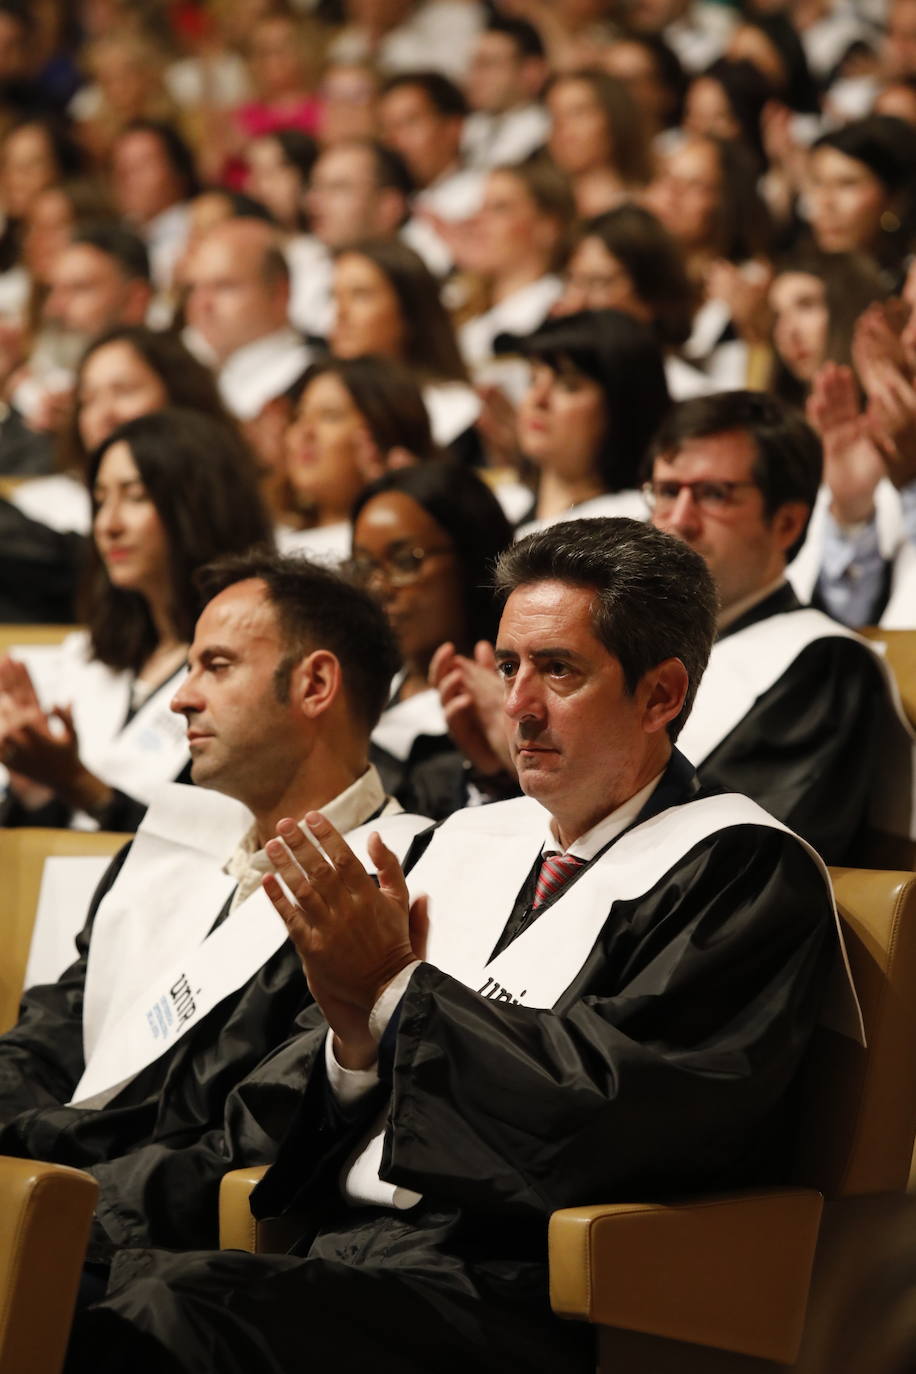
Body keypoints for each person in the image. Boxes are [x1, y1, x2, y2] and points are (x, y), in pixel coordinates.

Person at [64, 516, 845, 1374]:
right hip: (357, 1260)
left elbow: (612, 1112)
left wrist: (395, 991)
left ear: (661, 695)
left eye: (560, 670)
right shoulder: (470, 842)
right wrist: (354, 1040)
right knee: (67, 1277)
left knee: (166, 1317)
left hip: (530, 1297)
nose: (517, 704)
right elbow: (284, 1097)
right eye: (510, 666)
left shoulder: (739, 870)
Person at [0, 552, 431, 1259]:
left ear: (316, 683)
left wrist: (42, 1200)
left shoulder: (387, 887)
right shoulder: (171, 849)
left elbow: (244, 1140)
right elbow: (52, 1032)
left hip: (148, 1249)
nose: (181, 697)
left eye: (217, 666)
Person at [0, 407, 271, 831]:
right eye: (101, 499)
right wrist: (34, 784)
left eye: (136, 496)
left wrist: (77, 782)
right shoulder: (91, 655)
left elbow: (219, 845)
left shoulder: (251, 665)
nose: (109, 524)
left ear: (198, 506)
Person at [351, 460, 513, 817]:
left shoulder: (509, 706)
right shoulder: (359, 702)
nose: (378, 587)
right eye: (363, 567)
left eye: (404, 562)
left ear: (472, 561)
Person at [512, 309, 669, 535]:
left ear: (623, 406)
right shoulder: (505, 506)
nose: (537, 399)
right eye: (533, 379)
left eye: (568, 386)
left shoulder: (634, 527)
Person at [279, 355, 439, 562]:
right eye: (298, 415)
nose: (304, 432)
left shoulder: (424, 542)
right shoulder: (271, 540)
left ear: (384, 432)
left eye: (330, 416)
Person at [329, 237, 480, 452]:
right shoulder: (314, 408)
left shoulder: (455, 409)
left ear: (409, 312)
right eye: (334, 297)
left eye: (360, 295)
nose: (340, 313)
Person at [553, 203, 703, 399]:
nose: (576, 302)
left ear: (653, 295)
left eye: (598, 282)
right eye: (572, 281)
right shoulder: (555, 395)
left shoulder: (688, 398)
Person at [182, 215, 311, 435]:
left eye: (224, 286)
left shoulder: (314, 383)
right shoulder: (183, 373)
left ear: (280, 293)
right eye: (194, 288)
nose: (202, 304)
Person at [545, 68, 653, 219]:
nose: (562, 126)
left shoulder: (646, 208)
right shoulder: (543, 212)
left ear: (615, 118)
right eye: (554, 116)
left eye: (578, 113)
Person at [461, 16, 550, 171]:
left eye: (488, 64)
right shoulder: (468, 128)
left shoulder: (548, 135)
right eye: (473, 65)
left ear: (531, 73)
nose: (473, 77)